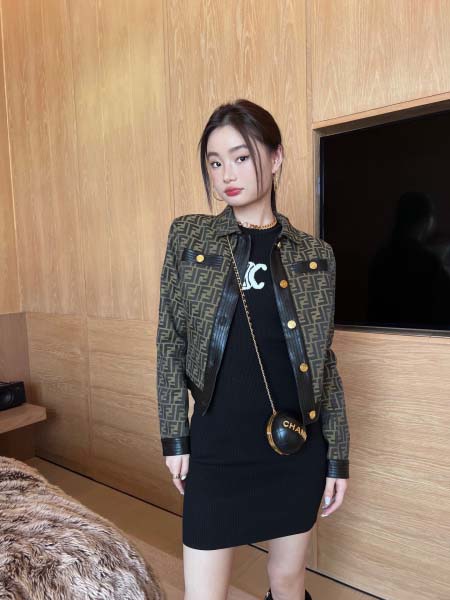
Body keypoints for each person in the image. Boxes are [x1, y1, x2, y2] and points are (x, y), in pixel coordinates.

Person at [156, 99, 350, 600]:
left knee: (287, 582)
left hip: (294, 448)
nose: (227, 175)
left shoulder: (316, 256)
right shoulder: (190, 237)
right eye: (215, 162)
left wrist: (338, 456)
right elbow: (170, 339)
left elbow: (324, 364)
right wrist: (175, 436)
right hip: (217, 446)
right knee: (203, 593)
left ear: (276, 156)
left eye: (241, 158)